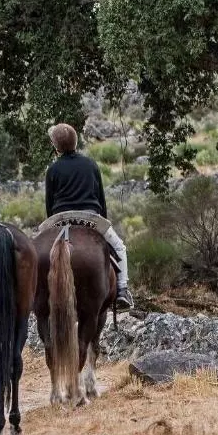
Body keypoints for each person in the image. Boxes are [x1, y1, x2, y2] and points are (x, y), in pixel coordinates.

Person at [45, 123, 134, 309]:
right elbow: (100, 198)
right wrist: (104, 223)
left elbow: (50, 204)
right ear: (75, 142)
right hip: (91, 219)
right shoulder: (90, 164)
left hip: (61, 219)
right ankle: (122, 290)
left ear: (56, 146)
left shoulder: (53, 170)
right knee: (119, 247)